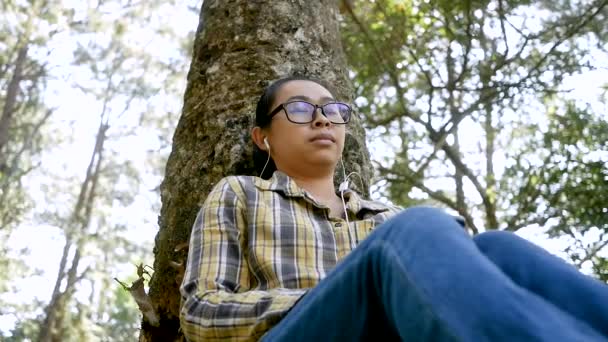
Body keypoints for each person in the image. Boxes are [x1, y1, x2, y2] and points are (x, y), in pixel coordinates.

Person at [179, 75, 608, 342]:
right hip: (298, 332)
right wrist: (331, 297)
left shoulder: (386, 217)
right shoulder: (240, 193)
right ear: (262, 137)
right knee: (417, 228)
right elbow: (201, 312)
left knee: (499, 247)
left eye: (333, 110)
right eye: (299, 109)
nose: (323, 119)